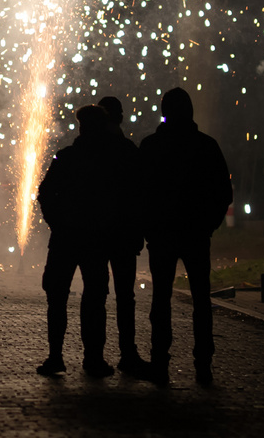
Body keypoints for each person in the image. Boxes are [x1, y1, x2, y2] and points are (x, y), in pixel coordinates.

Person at [139, 87, 233, 386]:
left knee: (160, 300)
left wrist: (148, 227)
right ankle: (203, 364)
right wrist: (208, 225)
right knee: (201, 301)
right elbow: (222, 192)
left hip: (163, 233)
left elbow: (138, 193)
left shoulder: (151, 146)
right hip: (195, 234)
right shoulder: (206, 146)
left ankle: (159, 361)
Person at [36, 104, 131, 378]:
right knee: (94, 299)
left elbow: (45, 194)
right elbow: (120, 199)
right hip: (95, 239)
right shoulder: (109, 161)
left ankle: (56, 356)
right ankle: (93, 358)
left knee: (58, 298)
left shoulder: (66, 157)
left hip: (66, 237)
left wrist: (57, 221)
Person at [97, 95, 146, 375]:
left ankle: (96, 355)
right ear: (120, 117)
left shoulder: (91, 150)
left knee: (97, 295)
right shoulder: (128, 150)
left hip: (98, 234)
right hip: (124, 235)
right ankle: (128, 354)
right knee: (124, 297)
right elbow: (140, 195)